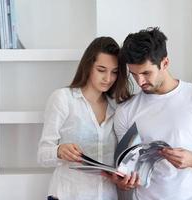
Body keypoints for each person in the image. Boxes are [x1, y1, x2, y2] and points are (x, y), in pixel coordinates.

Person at [109, 27, 192, 200]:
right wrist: (124, 181)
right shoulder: (126, 111)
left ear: (165, 63)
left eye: (146, 73)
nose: (140, 81)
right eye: (134, 74)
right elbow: (126, 169)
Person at [37, 36, 131, 200]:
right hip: (68, 194)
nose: (108, 78)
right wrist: (59, 151)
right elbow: (42, 155)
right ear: (88, 67)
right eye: (101, 70)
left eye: (114, 72)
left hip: (107, 195)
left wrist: (122, 177)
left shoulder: (117, 108)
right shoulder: (63, 99)